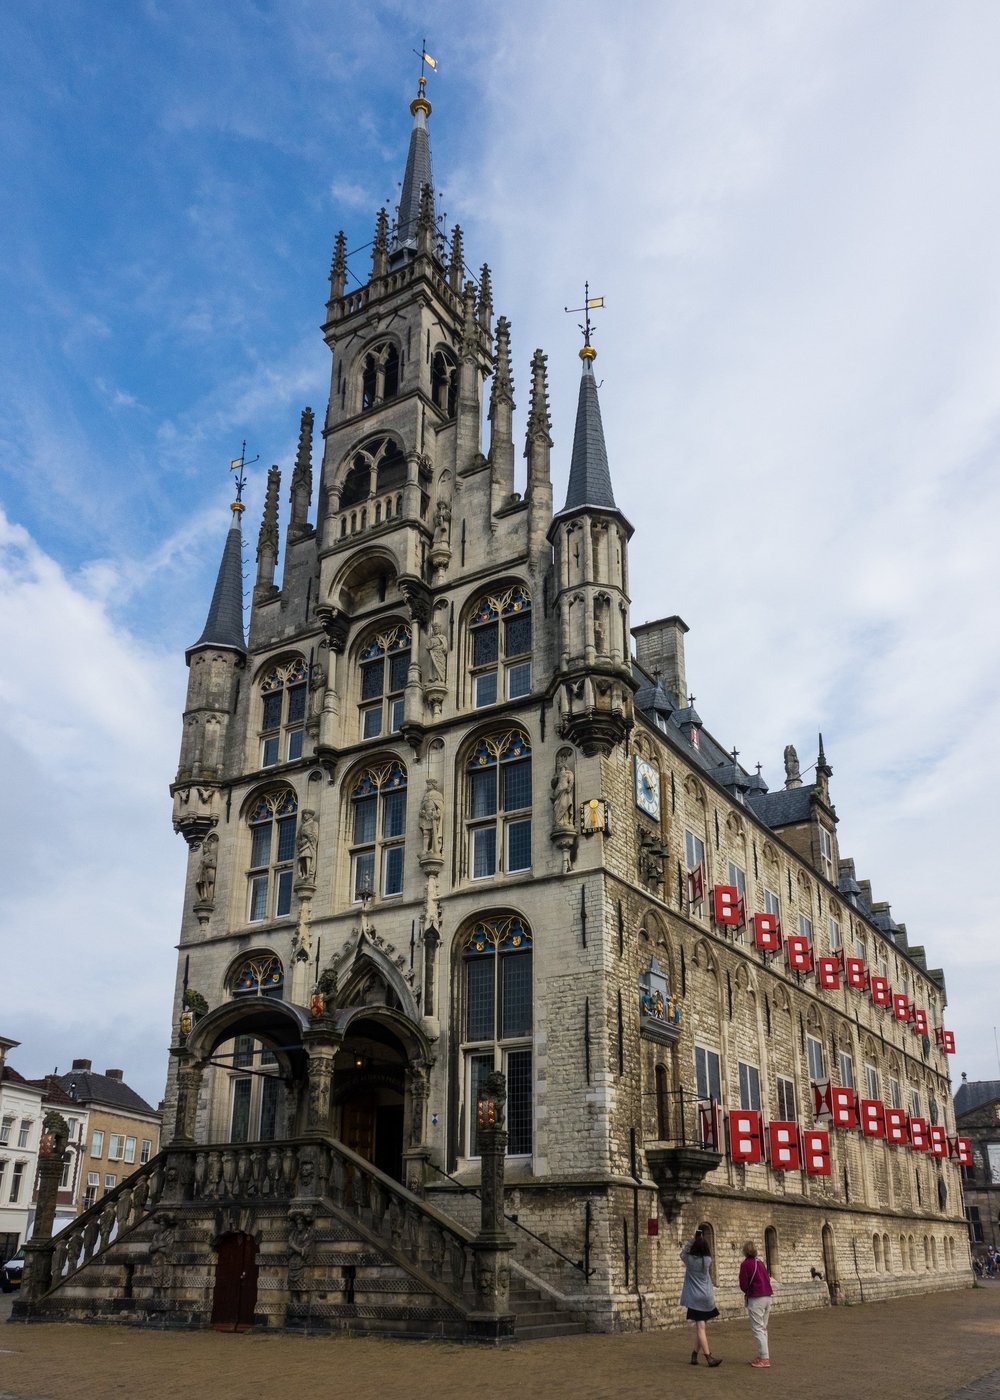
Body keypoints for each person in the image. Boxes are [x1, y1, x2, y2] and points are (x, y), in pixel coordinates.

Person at [680, 1230, 722, 1366]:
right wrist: (699, 1241)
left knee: (700, 1328)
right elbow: (706, 1253)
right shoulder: (707, 1260)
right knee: (701, 1328)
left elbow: (682, 1254)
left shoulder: (690, 1260)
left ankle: (709, 1358)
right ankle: (694, 1355)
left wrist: (692, 1240)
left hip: (695, 1298)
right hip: (706, 1297)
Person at [739, 1239, 774, 1368]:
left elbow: (743, 1283)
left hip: (756, 1298)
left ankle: (764, 1358)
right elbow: (767, 1277)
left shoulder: (746, 1264)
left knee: (757, 1328)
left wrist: (747, 1290)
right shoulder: (760, 1262)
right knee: (763, 1328)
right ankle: (763, 1354)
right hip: (768, 1296)